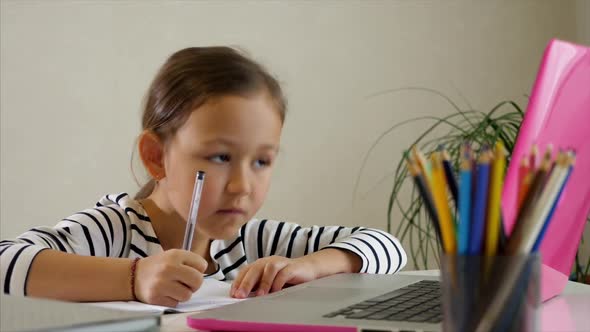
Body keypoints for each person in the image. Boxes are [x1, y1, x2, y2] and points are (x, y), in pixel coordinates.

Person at [0, 47, 406, 307]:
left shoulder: (248, 240)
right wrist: (135, 278)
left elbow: (388, 247)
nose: (242, 186)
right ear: (156, 157)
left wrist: (313, 267)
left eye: (262, 162)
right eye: (220, 157)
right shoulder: (115, 231)